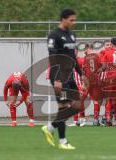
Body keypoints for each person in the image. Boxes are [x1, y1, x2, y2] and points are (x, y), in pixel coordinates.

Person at [41, 9, 84, 150]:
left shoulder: (72, 35)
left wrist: (81, 73)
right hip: (59, 76)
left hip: (70, 76)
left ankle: (50, 127)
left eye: (75, 20)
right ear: (63, 19)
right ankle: (63, 141)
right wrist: (57, 79)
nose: (74, 22)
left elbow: (73, 57)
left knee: (77, 106)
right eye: (71, 20)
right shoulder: (54, 35)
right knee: (63, 107)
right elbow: (53, 58)